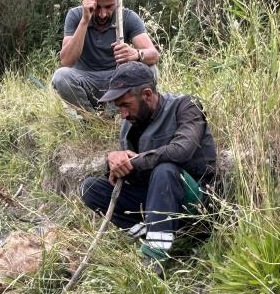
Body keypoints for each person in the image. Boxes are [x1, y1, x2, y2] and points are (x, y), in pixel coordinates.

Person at [79, 61, 217, 268]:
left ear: (147, 94)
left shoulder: (186, 106)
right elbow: (130, 170)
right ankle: (152, 233)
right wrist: (114, 162)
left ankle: (155, 257)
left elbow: (181, 150)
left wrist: (134, 161)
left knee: (166, 170)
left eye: (126, 105)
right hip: (154, 201)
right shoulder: (129, 123)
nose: (123, 114)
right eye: (119, 108)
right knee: (90, 188)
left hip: (194, 202)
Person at [51, 0, 159, 110]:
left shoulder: (128, 17)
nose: (102, 14)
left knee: (150, 70)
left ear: (118, 0)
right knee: (61, 76)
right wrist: (84, 20)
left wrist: (136, 54)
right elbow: (66, 61)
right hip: (85, 82)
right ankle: (89, 119)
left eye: (108, 7)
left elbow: (154, 55)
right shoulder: (76, 15)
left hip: (118, 82)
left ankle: (112, 115)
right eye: (98, 7)